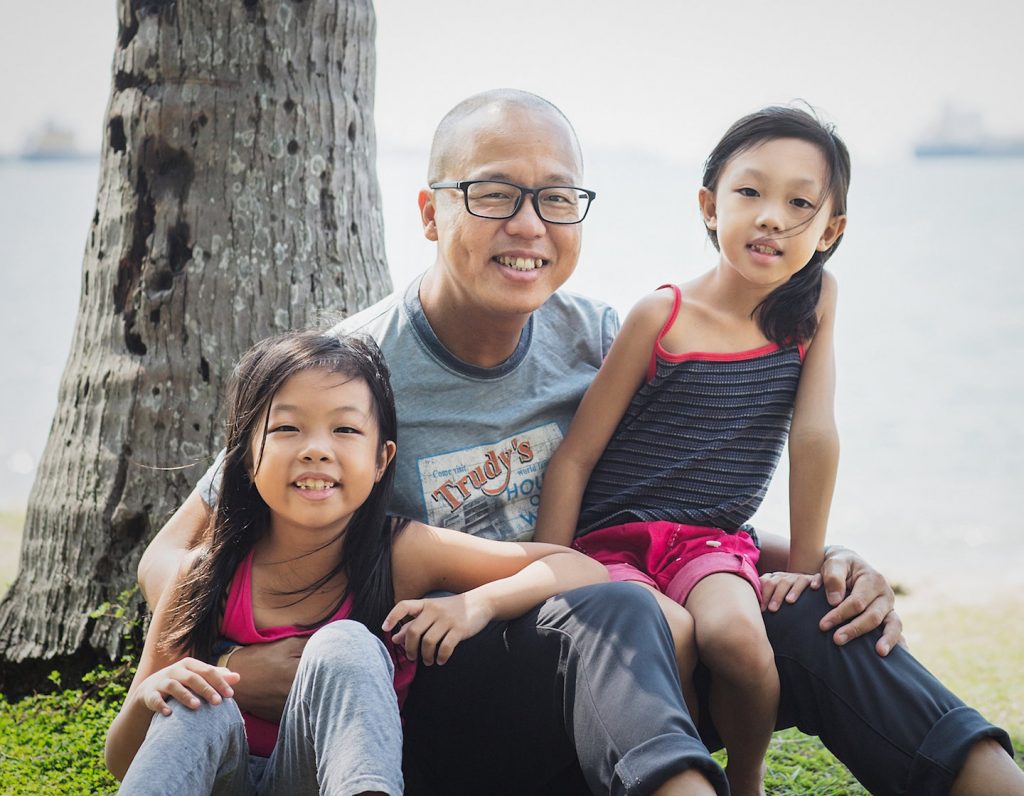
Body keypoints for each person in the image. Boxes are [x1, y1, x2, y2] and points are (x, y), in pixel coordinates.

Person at [139, 90, 1021, 795]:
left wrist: (831, 559)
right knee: (615, 606)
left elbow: (678, 517)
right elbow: (176, 548)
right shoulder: (349, 382)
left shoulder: (607, 342)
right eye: (493, 193)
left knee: (807, 616)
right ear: (430, 211)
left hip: (638, 652)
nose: (529, 224)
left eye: (556, 198)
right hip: (444, 693)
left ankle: (987, 778)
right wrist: (223, 660)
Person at [106, 330, 610, 795]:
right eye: (286, 428)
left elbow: (579, 568)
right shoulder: (202, 573)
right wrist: (155, 692)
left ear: (381, 460)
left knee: (346, 644)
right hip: (222, 779)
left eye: (345, 428)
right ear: (244, 458)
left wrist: (475, 605)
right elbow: (121, 758)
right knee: (199, 704)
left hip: (319, 779)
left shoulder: (399, 552)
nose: (316, 450)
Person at [534, 106, 850, 795]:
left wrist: (803, 564)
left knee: (740, 640)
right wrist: (548, 569)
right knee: (670, 633)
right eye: (750, 193)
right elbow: (576, 458)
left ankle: (748, 780)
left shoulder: (814, 305)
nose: (771, 216)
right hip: (612, 541)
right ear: (710, 207)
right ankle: (664, 770)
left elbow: (815, 433)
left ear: (830, 232)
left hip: (710, 542)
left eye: (799, 203)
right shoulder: (662, 315)